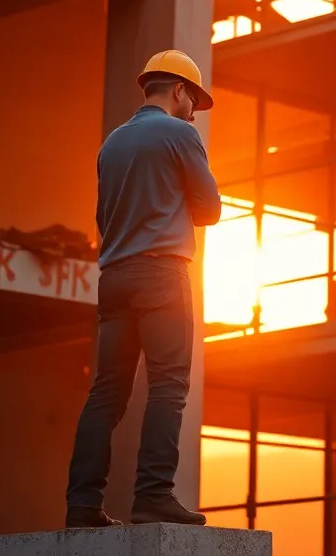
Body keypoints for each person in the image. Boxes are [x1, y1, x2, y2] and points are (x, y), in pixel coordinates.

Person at [65, 50, 222, 527]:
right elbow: (209, 208)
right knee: (168, 386)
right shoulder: (181, 133)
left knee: (106, 394)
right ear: (178, 91)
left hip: (113, 279)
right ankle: (153, 495)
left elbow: (103, 218)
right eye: (193, 100)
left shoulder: (111, 144)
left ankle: (82, 505)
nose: (194, 111)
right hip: (162, 276)